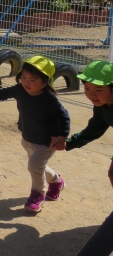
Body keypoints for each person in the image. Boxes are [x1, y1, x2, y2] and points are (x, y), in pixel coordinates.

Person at [0, 56, 70, 212]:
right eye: (23, 77)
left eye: (33, 80)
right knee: (37, 166)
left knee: (34, 165)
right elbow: (2, 93)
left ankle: (38, 195)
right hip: (28, 138)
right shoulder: (20, 90)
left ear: (45, 81)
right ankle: (57, 182)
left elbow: (64, 117)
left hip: (47, 141)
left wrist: (61, 137)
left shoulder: (49, 99)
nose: (26, 82)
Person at [53, 61, 113, 255]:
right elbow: (95, 129)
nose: (92, 94)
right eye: (87, 88)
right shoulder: (102, 107)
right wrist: (69, 143)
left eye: (99, 89)